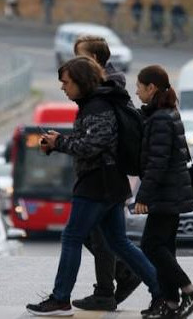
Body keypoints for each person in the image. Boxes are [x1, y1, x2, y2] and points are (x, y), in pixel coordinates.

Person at [26, 57, 161, 316]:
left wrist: (60, 144)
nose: (63, 88)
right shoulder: (93, 104)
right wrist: (59, 140)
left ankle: (60, 298)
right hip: (108, 182)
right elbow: (92, 140)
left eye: (66, 83)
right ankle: (161, 290)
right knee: (119, 242)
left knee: (72, 237)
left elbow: (93, 145)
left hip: (98, 183)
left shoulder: (97, 106)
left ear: (80, 81)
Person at [69, 36, 140, 312]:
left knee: (94, 235)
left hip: (104, 172)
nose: (75, 64)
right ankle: (120, 279)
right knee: (105, 236)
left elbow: (96, 138)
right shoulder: (99, 87)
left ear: (96, 60)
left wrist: (63, 143)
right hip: (101, 172)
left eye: (81, 58)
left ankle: (112, 286)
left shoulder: (103, 89)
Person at [133, 65, 193, 318]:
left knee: (151, 245)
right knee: (164, 246)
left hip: (167, 193)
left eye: (139, 87)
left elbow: (158, 161)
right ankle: (171, 302)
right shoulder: (166, 112)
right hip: (171, 192)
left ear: (151, 88)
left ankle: (190, 289)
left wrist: (143, 196)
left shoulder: (162, 118)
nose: (136, 92)